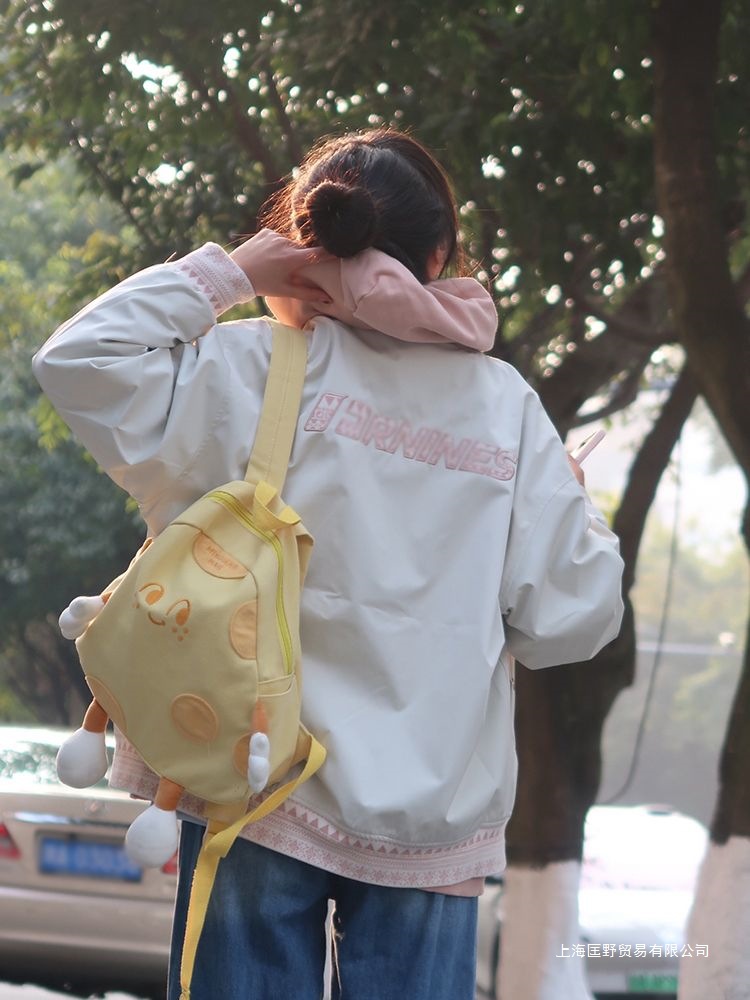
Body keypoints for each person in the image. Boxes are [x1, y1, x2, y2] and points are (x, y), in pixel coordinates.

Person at [33, 128, 624, 1000]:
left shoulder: (248, 369)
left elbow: (75, 361)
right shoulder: (507, 412)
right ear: (438, 256)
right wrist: (574, 500)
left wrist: (231, 271)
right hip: (430, 819)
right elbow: (573, 621)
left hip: (249, 779)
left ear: (305, 242)